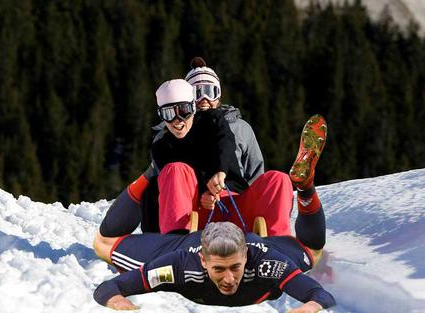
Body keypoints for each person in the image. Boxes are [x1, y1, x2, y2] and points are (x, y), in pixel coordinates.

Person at [92, 114, 331, 312]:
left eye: (235, 268)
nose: (228, 280)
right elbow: (110, 285)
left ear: (247, 258)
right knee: (310, 250)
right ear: (203, 262)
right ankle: (304, 190)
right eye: (219, 269)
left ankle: (301, 189)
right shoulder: (180, 263)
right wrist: (121, 304)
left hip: (238, 213)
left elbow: (318, 294)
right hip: (187, 227)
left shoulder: (266, 261)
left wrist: (308, 307)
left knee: (280, 185)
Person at [98, 57, 294, 239]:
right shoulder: (162, 142)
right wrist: (204, 192)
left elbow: (225, 142)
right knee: (174, 171)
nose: (177, 120)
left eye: (210, 92)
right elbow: (168, 188)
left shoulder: (223, 122)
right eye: (198, 93)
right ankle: (177, 243)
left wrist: (220, 172)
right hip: (195, 210)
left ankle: (277, 246)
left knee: (279, 178)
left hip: (235, 201)